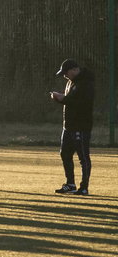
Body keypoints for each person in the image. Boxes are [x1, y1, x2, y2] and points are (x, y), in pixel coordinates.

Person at [51, 59, 95, 196]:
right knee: (65, 154)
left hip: (81, 126)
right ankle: (70, 184)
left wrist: (61, 99)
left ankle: (84, 187)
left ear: (75, 70)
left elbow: (78, 102)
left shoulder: (86, 83)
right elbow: (71, 99)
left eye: (66, 73)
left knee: (83, 157)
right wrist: (62, 98)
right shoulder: (72, 82)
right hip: (68, 126)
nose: (65, 76)